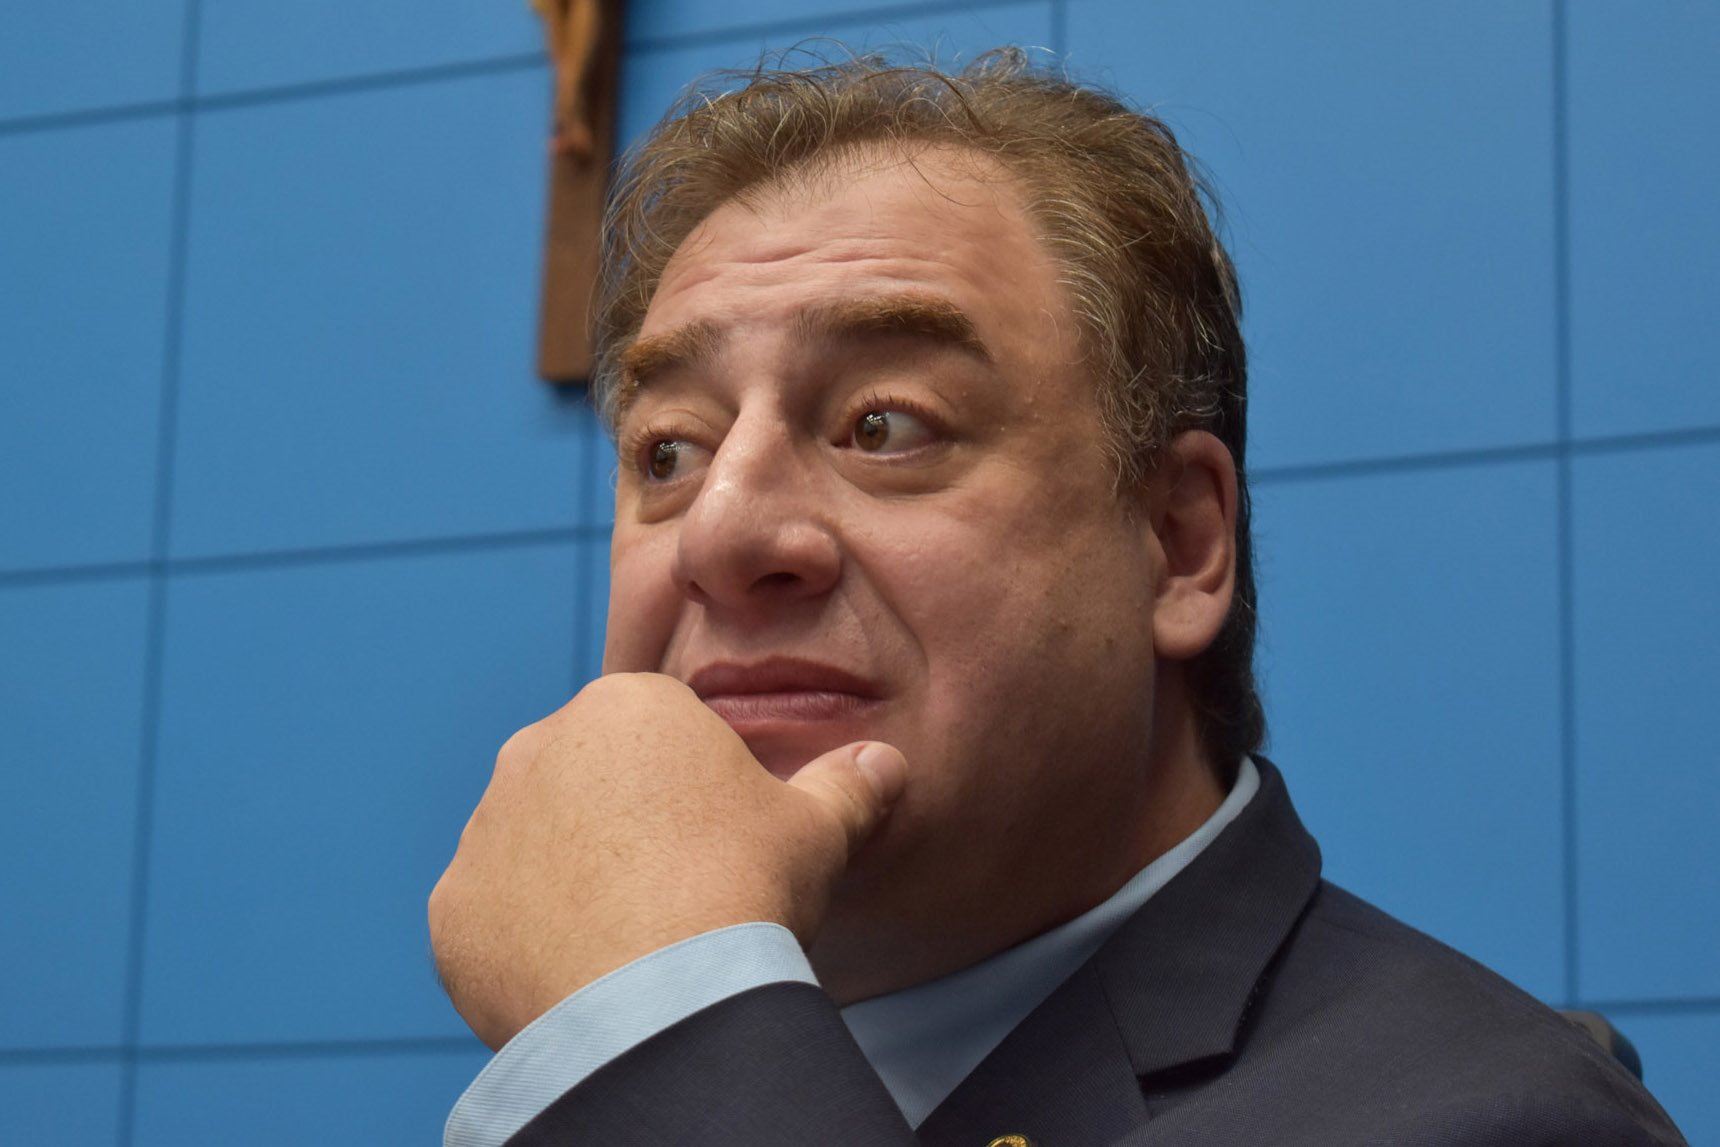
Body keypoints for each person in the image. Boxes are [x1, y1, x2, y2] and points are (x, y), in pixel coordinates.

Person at [428, 51, 1686, 1145]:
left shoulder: (1502, 1119)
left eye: (884, 424)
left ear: (1178, 544)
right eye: (668, 451)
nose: (720, 531)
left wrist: (658, 1029)